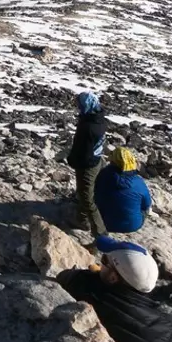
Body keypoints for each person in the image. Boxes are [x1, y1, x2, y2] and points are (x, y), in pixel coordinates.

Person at [67, 92, 110, 236]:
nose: (78, 107)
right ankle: (81, 218)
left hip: (87, 164)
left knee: (87, 198)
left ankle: (100, 232)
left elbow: (82, 150)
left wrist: (72, 160)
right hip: (96, 160)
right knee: (84, 191)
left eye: (79, 104)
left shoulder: (88, 127)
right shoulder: (99, 119)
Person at [95, 147, 153, 235]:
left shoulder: (103, 175)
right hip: (132, 225)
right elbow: (147, 204)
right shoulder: (138, 181)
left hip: (104, 223)